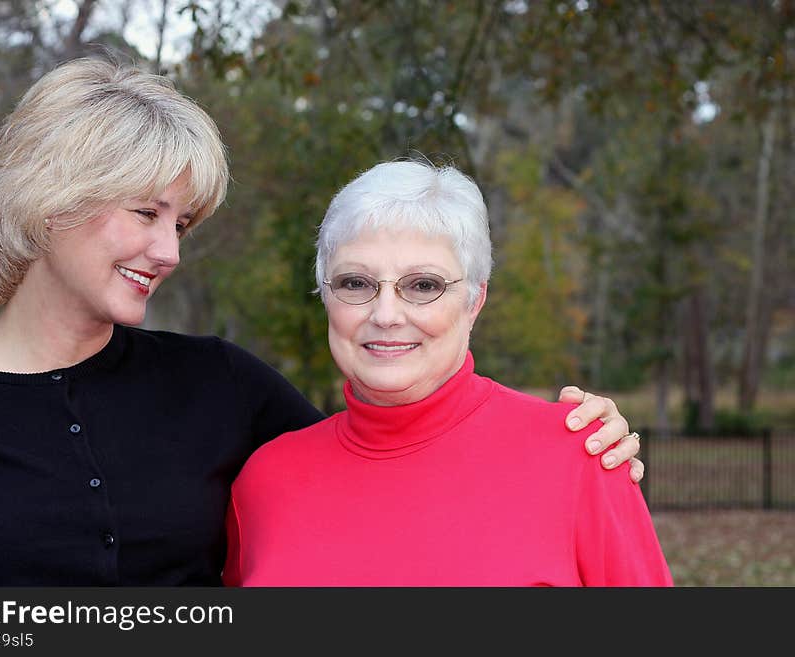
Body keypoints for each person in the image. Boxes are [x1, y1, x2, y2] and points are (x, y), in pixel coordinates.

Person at [0, 57, 642, 586]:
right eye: (146, 213)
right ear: (49, 200)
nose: (168, 251)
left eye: (182, 222)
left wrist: (576, 454)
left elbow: (397, 441)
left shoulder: (218, 385)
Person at [223, 160, 672, 586]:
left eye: (423, 285)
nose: (386, 314)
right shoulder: (265, 482)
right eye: (355, 283)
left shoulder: (582, 457)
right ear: (326, 295)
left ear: (474, 300)